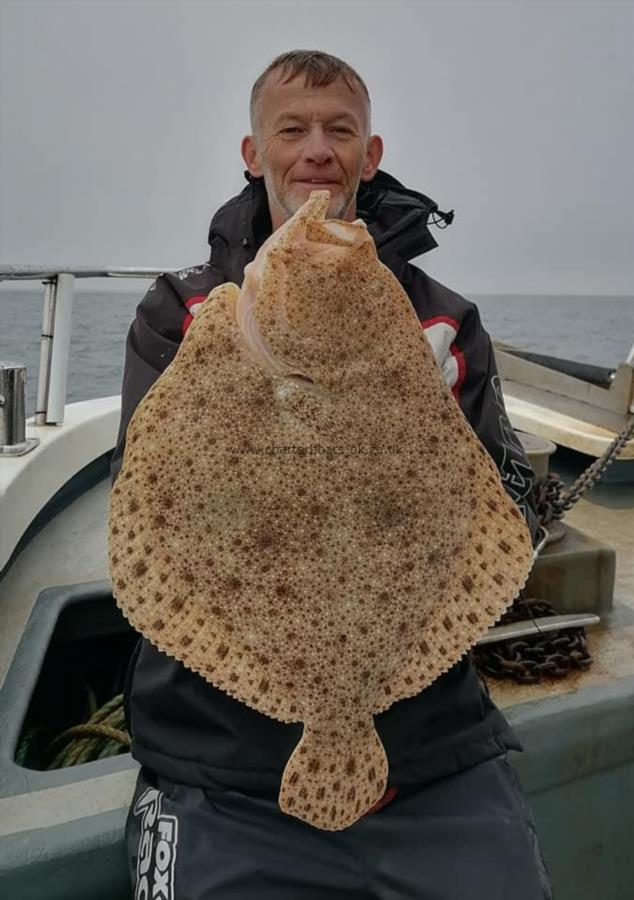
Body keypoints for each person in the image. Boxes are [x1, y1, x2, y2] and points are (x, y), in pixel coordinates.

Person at [112, 50, 553, 900]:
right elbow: (154, 495)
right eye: (292, 129)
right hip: (221, 759)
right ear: (254, 152)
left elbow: (500, 514)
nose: (317, 149)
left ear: (369, 153)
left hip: (429, 756)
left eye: (338, 131)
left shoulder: (443, 324)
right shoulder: (183, 311)